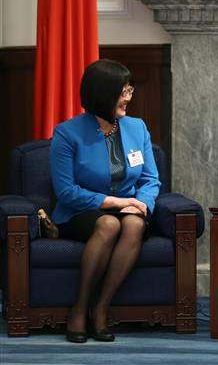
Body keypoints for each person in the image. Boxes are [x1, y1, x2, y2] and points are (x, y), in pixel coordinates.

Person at [50, 59, 160, 343]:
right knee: (109, 224)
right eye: (123, 92)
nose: (129, 98)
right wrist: (115, 202)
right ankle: (79, 308)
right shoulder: (67, 133)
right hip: (81, 210)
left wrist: (142, 204)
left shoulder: (137, 127)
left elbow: (150, 179)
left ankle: (101, 308)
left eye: (130, 90)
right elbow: (66, 191)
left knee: (135, 225)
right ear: (103, 95)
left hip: (129, 206)